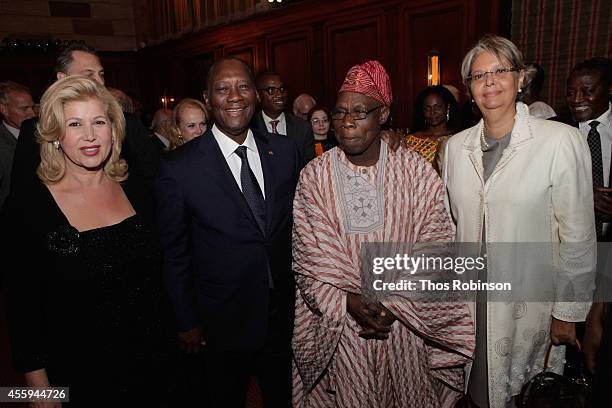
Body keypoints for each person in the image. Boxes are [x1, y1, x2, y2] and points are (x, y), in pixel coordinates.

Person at [292, 60, 475, 407]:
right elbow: (308, 257)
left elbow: (436, 246)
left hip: (405, 323)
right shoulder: (314, 178)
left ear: (384, 115)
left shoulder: (415, 171)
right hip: (344, 326)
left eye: (360, 112)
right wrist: (349, 301)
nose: (347, 122)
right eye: (339, 112)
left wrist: (396, 303)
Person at [444, 34, 596, 407]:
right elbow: (451, 226)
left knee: (525, 394)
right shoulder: (453, 149)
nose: (490, 81)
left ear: (520, 78)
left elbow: (577, 234)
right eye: (479, 76)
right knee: (477, 393)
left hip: (531, 304)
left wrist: (567, 313)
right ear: (469, 89)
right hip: (471, 304)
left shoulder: (559, 141)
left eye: (500, 70)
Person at [3, 76, 173, 406]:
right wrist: (38, 384)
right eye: (75, 124)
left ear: (114, 129)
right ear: (54, 135)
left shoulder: (135, 187)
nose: (90, 135)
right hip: (80, 374)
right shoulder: (27, 207)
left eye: (99, 121)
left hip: (154, 364)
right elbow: (21, 305)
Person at [155, 56, 300, 408]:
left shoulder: (284, 151)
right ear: (207, 98)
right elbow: (174, 252)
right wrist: (186, 320)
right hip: (220, 321)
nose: (234, 96)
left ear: (256, 95)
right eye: (223, 88)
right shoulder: (179, 167)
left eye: (243, 86)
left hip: (281, 314)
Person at [10, 43, 160, 197]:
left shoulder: (127, 122)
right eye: (88, 75)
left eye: (101, 74)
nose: (100, 82)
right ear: (62, 78)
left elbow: (152, 178)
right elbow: (22, 189)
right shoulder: (34, 128)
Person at [251, 71, 315, 165]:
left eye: (282, 89)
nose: (280, 95)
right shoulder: (250, 128)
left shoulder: (303, 128)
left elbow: (309, 168)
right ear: (258, 95)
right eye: (271, 90)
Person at [404, 85, 460, 173]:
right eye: (427, 108)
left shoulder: (457, 138)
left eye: (438, 107)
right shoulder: (411, 140)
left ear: (447, 107)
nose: (432, 112)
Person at [0, 81, 36, 209]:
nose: (32, 114)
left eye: (33, 107)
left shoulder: (40, 136)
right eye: (24, 108)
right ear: (4, 109)